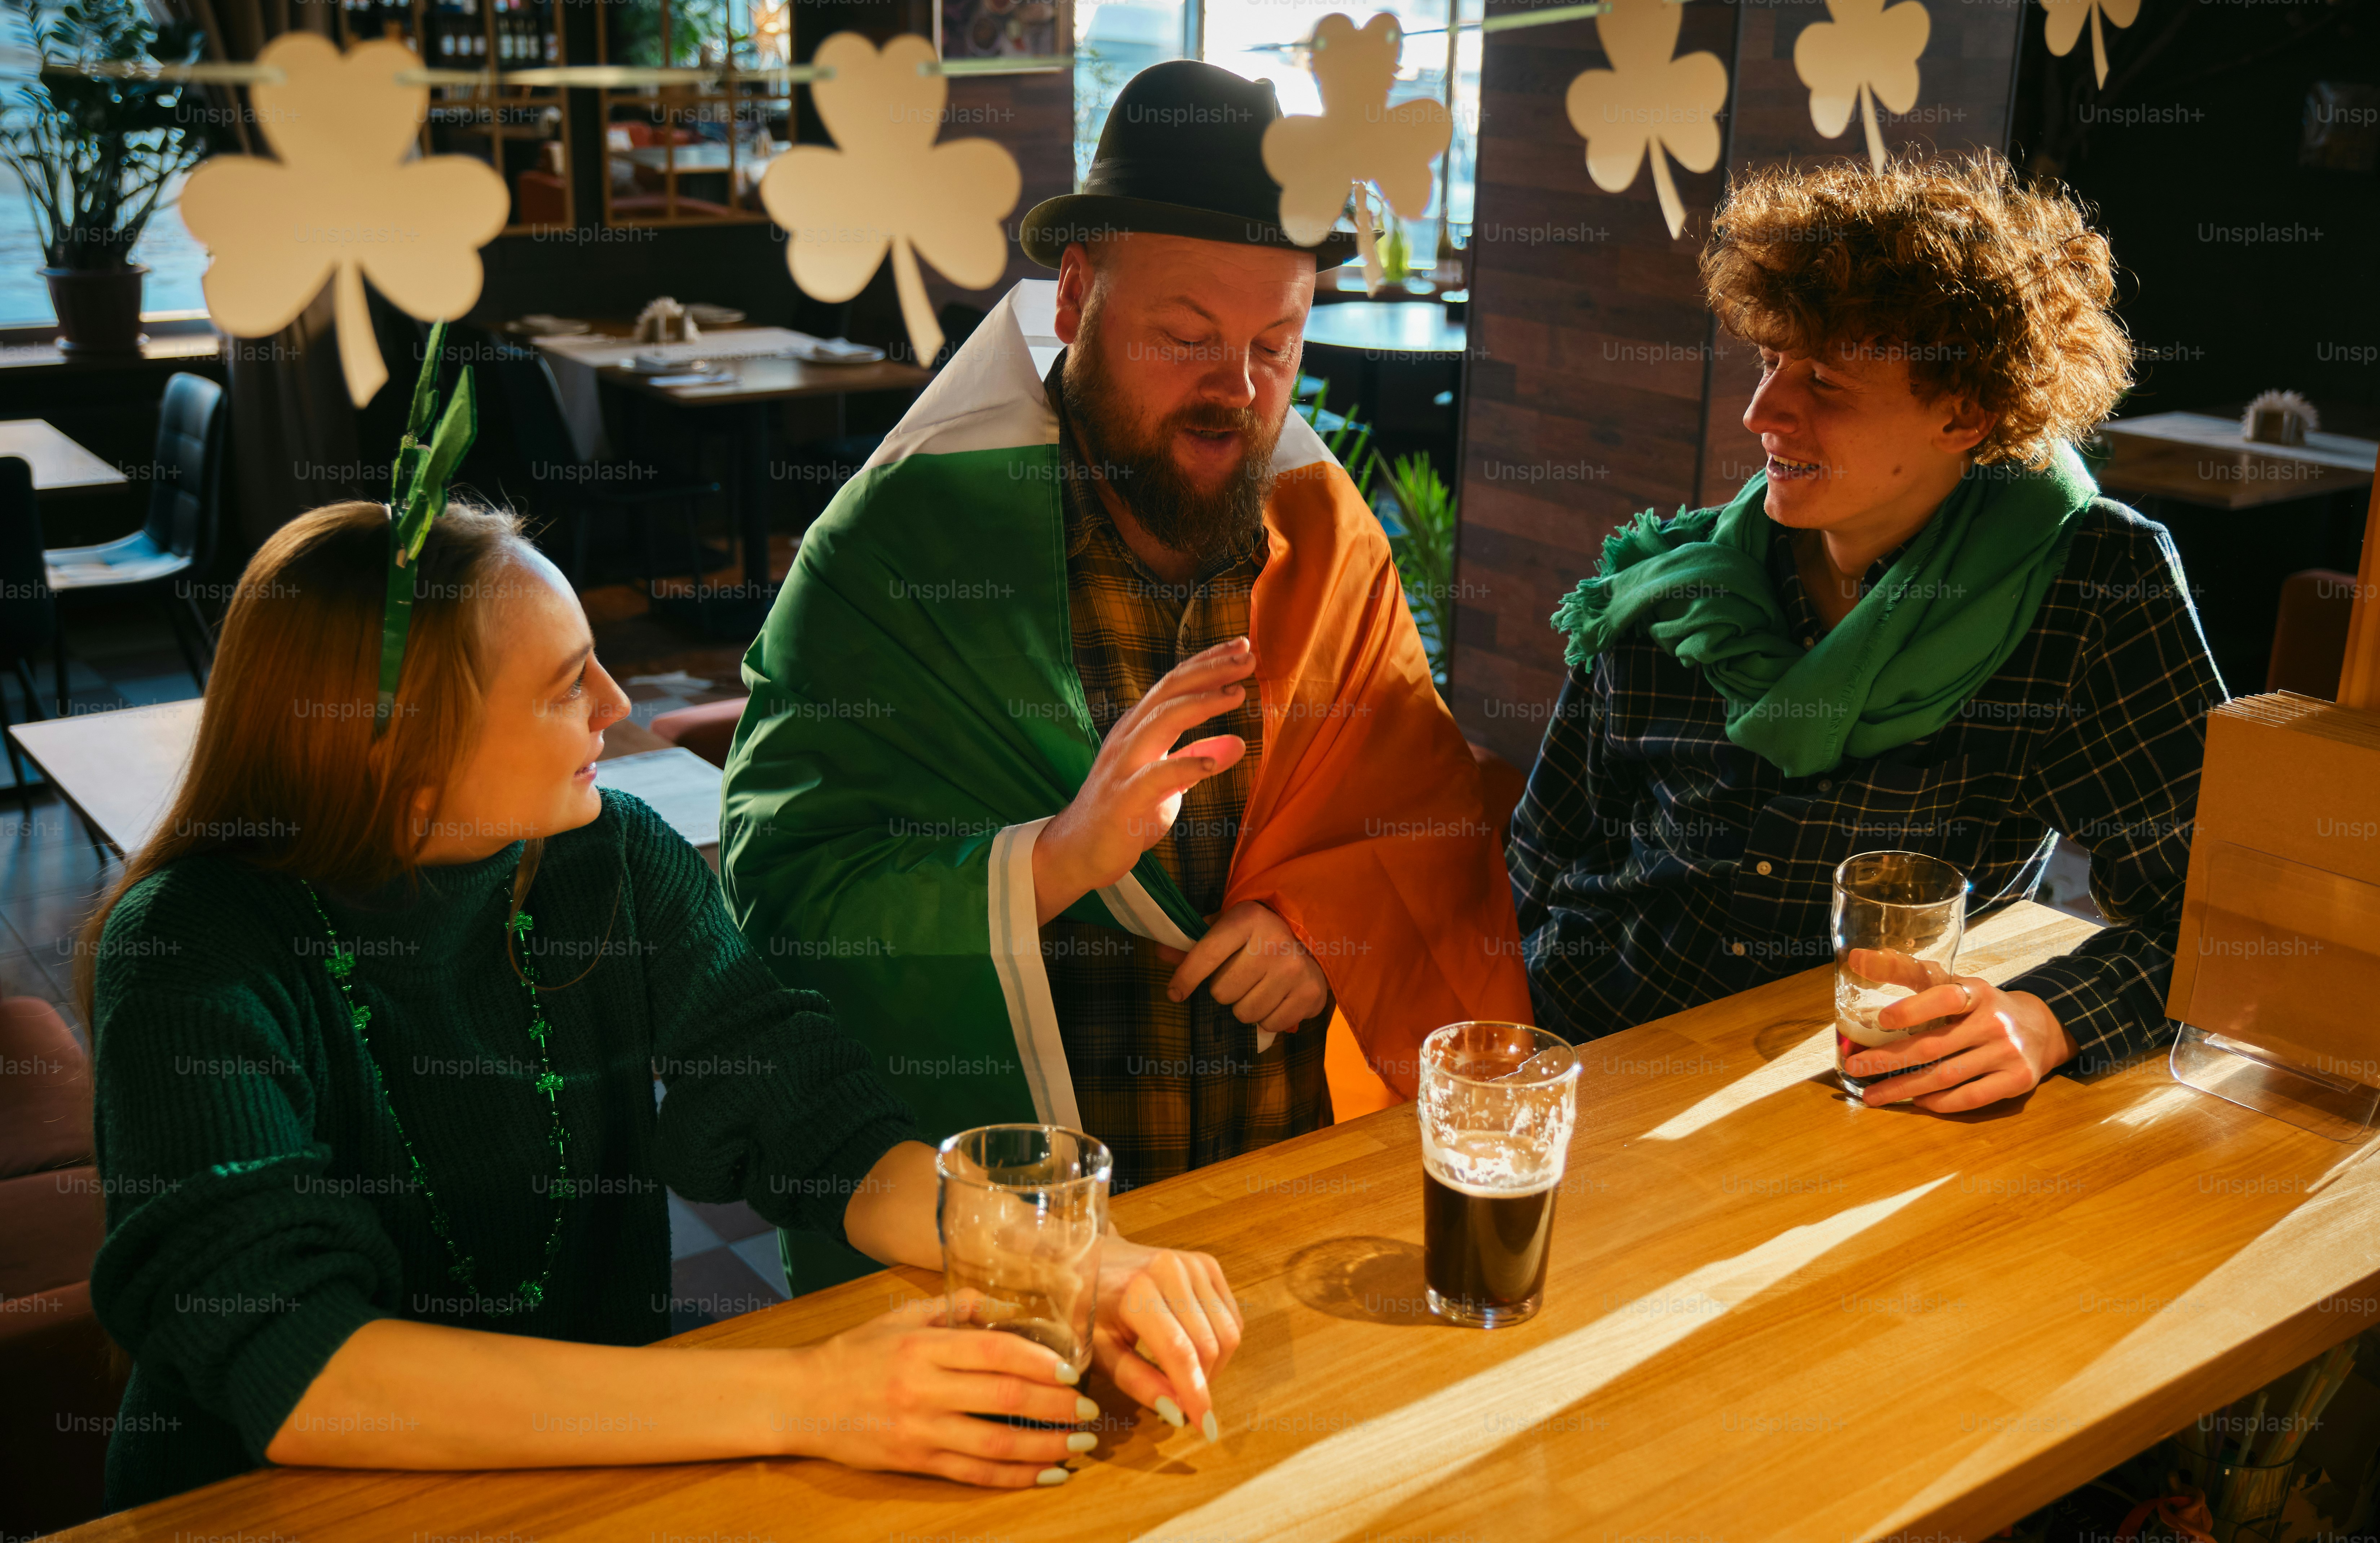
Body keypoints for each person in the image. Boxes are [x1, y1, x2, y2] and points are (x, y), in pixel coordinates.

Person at [80, 494, 1240, 1513]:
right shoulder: (188, 948)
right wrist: (810, 1392)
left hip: (589, 1479)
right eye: (560, 685)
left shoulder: (614, 859)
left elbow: (806, 1114)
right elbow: (299, 1371)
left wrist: (1056, 1258)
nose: (615, 699)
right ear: (397, 752)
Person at [720, 59, 1529, 1196]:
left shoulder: (1326, 530)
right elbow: (783, 884)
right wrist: (1045, 865)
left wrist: (1328, 928)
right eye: (1185, 334)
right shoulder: (903, 545)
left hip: (1278, 1189)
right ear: (1073, 295)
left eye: (1275, 342)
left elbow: (1430, 813)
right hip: (1016, 1230)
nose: (1237, 391)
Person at [1509, 152, 2223, 1110]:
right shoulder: (1683, 586)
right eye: (1768, 362)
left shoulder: (2087, 587)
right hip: (1592, 1061)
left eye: (1828, 383)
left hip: (1860, 1095)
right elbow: (1539, 858)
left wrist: (2048, 1019)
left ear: (1965, 414)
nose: (1763, 413)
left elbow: (2211, 920)